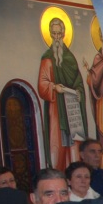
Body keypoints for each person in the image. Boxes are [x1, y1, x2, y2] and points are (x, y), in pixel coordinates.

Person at [37, 17, 87, 171]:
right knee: (57, 145)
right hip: (57, 111)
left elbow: (79, 82)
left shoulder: (70, 58)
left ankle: (74, 174)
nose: (57, 37)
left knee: (74, 146)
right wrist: (53, 87)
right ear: (50, 35)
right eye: (54, 34)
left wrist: (79, 92)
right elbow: (42, 84)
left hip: (72, 110)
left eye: (59, 34)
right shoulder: (47, 58)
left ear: (64, 34)